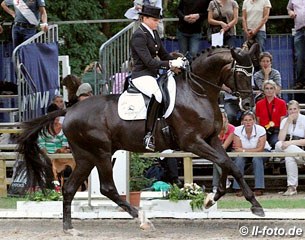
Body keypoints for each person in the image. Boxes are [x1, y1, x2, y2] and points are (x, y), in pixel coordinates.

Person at [130, 5, 184, 151]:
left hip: (154, 75)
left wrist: (178, 64)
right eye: (154, 20)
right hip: (141, 75)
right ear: (144, 18)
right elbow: (149, 62)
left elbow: (164, 55)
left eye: (158, 20)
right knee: (158, 95)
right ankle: (148, 135)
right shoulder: (138, 36)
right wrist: (170, 63)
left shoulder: (153, 34)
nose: (157, 23)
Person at [232, 110, 271, 196]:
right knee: (239, 159)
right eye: (245, 120)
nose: (248, 122)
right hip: (244, 153)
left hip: (262, 151)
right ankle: (238, 187)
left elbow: (260, 149)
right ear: (242, 122)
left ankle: (259, 187)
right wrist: (249, 150)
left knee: (257, 158)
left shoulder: (261, 129)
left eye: (250, 120)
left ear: (254, 121)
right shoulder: (237, 130)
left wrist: (244, 150)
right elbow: (237, 148)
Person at [275, 100, 305, 196]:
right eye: (290, 109)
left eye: (295, 109)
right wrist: (288, 122)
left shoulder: (304, 119)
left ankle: (292, 187)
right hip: (284, 146)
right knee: (278, 144)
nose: (293, 111)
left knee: (289, 157)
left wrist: (290, 143)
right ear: (287, 111)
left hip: (298, 149)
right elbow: (281, 139)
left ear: (299, 109)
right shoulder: (284, 120)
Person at [255, 80, 287, 149]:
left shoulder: (282, 103)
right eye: (267, 88)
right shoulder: (259, 104)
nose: (269, 90)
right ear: (264, 90)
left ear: (275, 89)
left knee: (274, 142)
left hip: (276, 130)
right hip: (263, 130)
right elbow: (258, 121)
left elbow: (283, 121)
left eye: (271, 88)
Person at [212, 108, 235, 192]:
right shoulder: (213, 129)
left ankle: (216, 185)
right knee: (216, 159)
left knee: (216, 158)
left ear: (226, 118)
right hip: (217, 153)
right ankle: (223, 181)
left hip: (229, 152)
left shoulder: (231, 128)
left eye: (222, 117)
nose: (220, 119)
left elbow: (224, 146)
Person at [287, 1, 305, 89]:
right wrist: (290, 12)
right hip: (299, 30)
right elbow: (289, 8)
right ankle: (300, 82)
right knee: (299, 57)